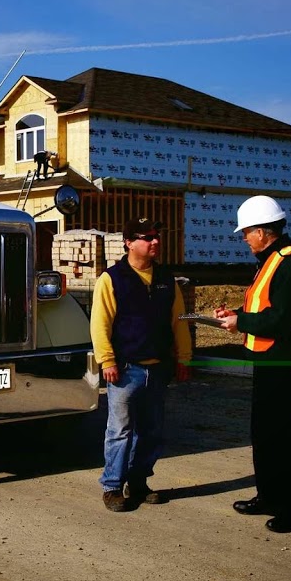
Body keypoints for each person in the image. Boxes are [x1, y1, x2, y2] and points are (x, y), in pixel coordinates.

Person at [214, 195, 291, 533]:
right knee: (264, 434)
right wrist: (237, 316)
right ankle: (270, 495)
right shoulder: (271, 260)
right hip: (267, 359)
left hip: (283, 360)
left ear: (262, 231)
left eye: (246, 232)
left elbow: (282, 318)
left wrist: (240, 324)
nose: (244, 238)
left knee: (283, 437)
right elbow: (264, 310)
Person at [91, 217, 192, 512]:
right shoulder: (112, 279)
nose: (155, 242)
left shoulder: (166, 279)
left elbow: (180, 322)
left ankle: (138, 481)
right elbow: (100, 324)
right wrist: (106, 360)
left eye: (156, 236)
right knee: (119, 430)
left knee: (151, 431)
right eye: (147, 237)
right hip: (125, 369)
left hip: (158, 368)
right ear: (128, 242)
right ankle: (112, 487)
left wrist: (184, 358)